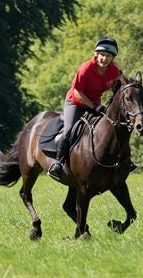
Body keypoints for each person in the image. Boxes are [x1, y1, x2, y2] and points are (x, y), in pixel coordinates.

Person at [47, 36, 121, 182]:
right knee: (68, 130)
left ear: (112, 58)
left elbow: (117, 89)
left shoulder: (114, 71)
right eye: (102, 55)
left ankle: (121, 162)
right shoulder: (86, 68)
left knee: (111, 128)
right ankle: (58, 163)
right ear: (96, 55)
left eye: (108, 56)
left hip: (95, 105)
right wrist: (94, 106)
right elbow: (77, 93)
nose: (105, 59)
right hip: (75, 103)